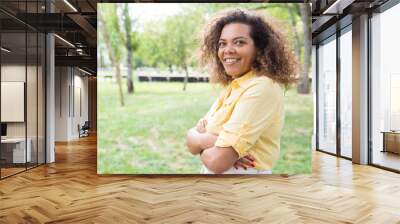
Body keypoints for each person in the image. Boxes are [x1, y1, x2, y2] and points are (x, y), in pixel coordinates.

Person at [186, 9, 298, 174]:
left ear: (259, 49)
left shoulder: (262, 87)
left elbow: (218, 161)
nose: (228, 50)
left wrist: (199, 141)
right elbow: (190, 142)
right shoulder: (234, 87)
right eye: (222, 43)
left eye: (239, 42)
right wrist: (205, 140)